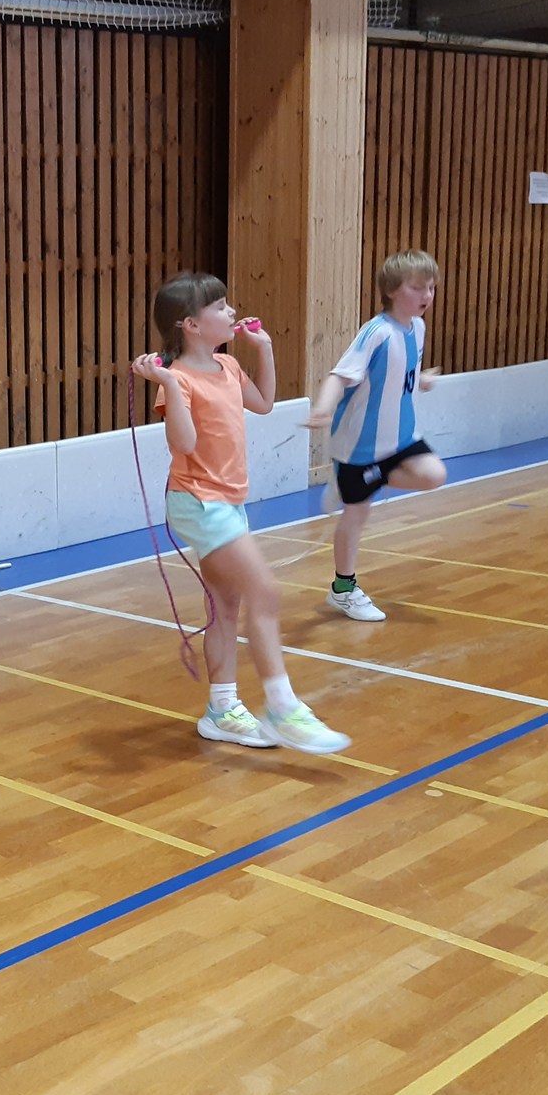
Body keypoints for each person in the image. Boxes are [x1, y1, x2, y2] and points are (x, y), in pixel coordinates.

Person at [132, 273, 351, 755]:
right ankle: (283, 706)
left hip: (229, 501)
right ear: (191, 324)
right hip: (198, 503)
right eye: (220, 307)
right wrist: (167, 382)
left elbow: (265, 404)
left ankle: (222, 710)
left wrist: (265, 350)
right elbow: (183, 444)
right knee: (265, 591)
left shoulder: (229, 365)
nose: (231, 312)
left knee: (225, 607)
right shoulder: (178, 380)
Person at [305, 250, 449, 622]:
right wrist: (323, 408)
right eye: (417, 287)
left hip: (401, 437)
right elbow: (339, 376)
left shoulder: (417, 328)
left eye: (431, 287)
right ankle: (343, 589)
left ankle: (367, 480)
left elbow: (398, 373)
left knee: (434, 475)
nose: (427, 295)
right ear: (392, 290)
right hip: (360, 446)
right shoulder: (377, 332)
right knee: (357, 515)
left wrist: (421, 379)